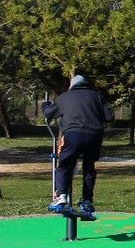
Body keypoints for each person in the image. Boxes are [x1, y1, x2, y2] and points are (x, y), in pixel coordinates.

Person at [42, 74, 107, 217]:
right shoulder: (96, 96)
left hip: (72, 134)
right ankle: (87, 200)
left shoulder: (64, 97)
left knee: (64, 165)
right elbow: (109, 116)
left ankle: (62, 196)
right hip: (94, 135)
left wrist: (46, 105)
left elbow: (48, 114)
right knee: (89, 167)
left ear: (72, 85)